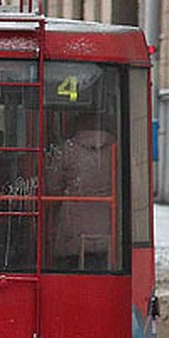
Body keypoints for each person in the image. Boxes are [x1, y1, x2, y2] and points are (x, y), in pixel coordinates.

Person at [48, 114, 116, 270]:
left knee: (69, 268)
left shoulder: (68, 149)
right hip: (108, 222)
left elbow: (53, 186)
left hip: (73, 225)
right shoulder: (116, 149)